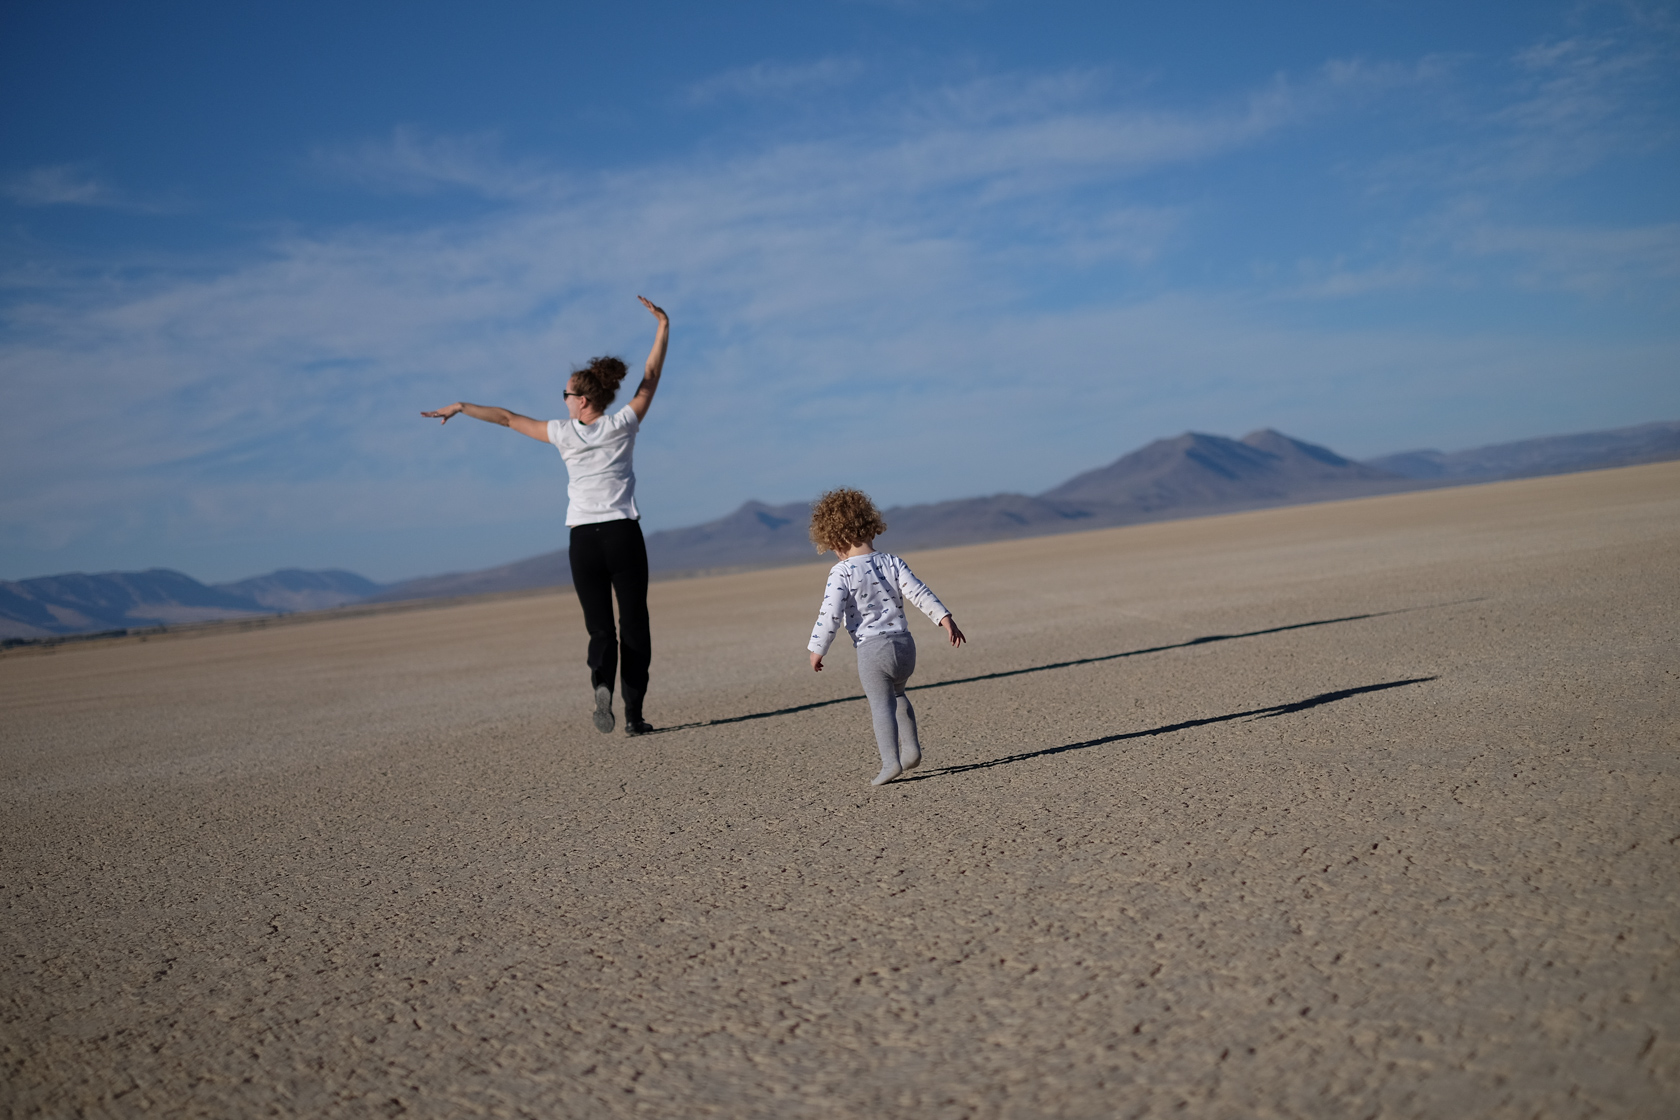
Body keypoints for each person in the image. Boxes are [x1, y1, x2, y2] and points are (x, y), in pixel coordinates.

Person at [422, 296, 669, 736]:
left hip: (583, 543)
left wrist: (460, 406)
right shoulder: (623, 424)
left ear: (581, 400)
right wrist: (662, 328)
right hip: (622, 536)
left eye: (566, 394)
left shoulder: (561, 433)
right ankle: (634, 715)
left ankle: (601, 684)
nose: (563, 400)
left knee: (599, 630)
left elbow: (504, 418)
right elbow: (650, 377)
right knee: (633, 623)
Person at [806, 488, 966, 786]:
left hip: (872, 651)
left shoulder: (841, 572)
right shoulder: (892, 562)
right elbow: (919, 592)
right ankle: (911, 750)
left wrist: (818, 649)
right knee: (899, 694)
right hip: (905, 647)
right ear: (870, 527)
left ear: (835, 539)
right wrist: (945, 618)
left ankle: (890, 762)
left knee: (881, 705)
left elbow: (830, 614)